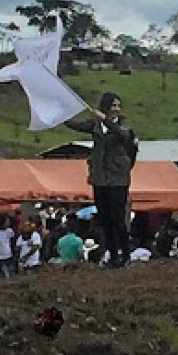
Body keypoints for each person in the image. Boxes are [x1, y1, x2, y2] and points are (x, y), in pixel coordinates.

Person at [65, 91, 136, 268]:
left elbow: (123, 135)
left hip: (117, 178)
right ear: (104, 106)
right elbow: (77, 126)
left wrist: (105, 119)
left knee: (118, 219)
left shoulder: (123, 124)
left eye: (118, 106)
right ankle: (112, 255)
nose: (116, 109)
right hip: (100, 178)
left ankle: (125, 254)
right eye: (113, 106)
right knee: (105, 219)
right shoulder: (95, 125)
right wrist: (60, 116)